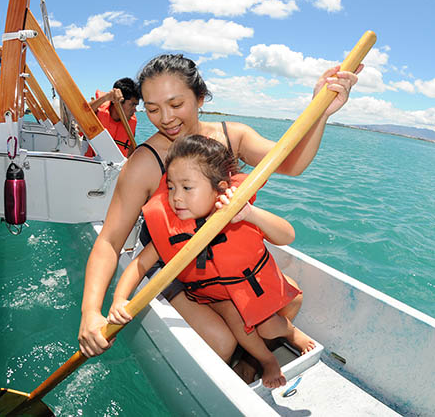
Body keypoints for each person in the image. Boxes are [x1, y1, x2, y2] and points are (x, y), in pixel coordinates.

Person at [78, 54, 361, 378]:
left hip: (222, 256)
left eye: (175, 104)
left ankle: (249, 359)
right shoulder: (144, 162)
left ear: (200, 97)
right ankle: (235, 340)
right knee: (221, 342)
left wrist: (320, 112)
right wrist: (91, 312)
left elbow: (291, 162)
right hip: (174, 261)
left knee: (288, 303)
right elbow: (110, 241)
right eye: (153, 109)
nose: (165, 118)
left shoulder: (231, 135)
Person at [107, 134, 315, 388]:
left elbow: (287, 235)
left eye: (187, 187)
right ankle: (267, 360)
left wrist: (250, 214)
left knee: (273, 322)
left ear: (221, 189)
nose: (176, 198)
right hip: (212, 296)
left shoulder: (237, 213)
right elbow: (139, 265)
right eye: (171, 187)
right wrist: (120, 299)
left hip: (246, 286)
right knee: (240, 318)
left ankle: (289, 334)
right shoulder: (172, 228)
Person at [87, 77, 140, 157]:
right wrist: (105, 98)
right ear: (120, 101)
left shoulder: (131, 123)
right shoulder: (97, 111)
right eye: (132, 104)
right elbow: (81, 112)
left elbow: (130, 151)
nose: (135, 110)